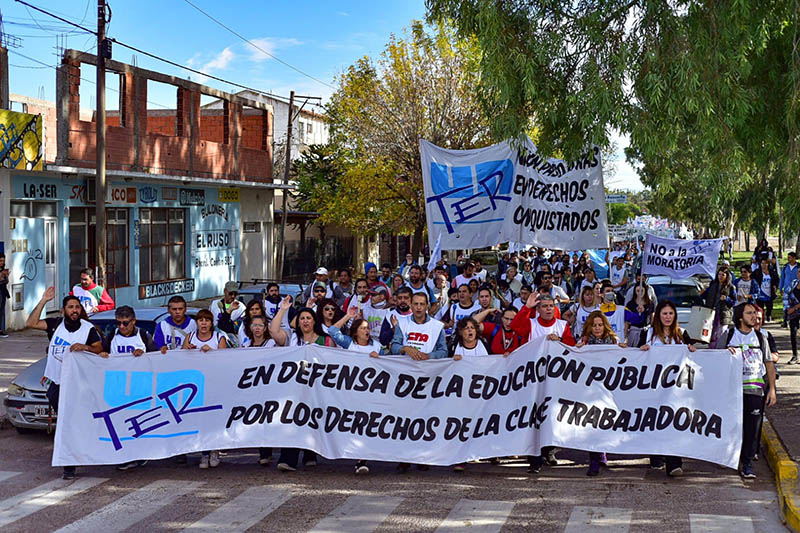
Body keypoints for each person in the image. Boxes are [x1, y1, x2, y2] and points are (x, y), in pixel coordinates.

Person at [27, 287, 103, 479]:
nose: (74, 310)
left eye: (77, 307)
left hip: (80, 385)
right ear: (64, 310)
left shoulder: (88, 329)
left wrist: (85, 347)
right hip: (58, 384)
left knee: (70, 422)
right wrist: (44, 300)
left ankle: (71, 462)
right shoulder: (55, 325)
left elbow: (99, 348)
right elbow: (31, 323)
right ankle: (71, 458)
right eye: (70, 307)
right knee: (66, 422)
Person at [509, 293, 575, 472]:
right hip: (534, 380)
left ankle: (549, 451)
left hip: (556, 379)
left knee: (551, 417)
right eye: (544, 306)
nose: (548, 309)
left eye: (550, 306)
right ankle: (534, 459)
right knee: (534, 418)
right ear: (538, 309)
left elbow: (571, 347)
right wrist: (526, 308)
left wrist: (560, 341)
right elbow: (515, 326)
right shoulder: (532, 324)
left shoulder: (562, 325)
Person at [714, 302, 777, 479]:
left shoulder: (760, 337)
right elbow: (714, 359)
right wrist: (726, 353)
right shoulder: (729, 335)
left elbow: (769, 364)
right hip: (732, 391)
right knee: (730, 425)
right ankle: (727, 455)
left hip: (755, 391)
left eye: (755, 313)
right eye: (750, 313)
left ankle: (747, 463)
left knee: (752, 428)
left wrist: (772, 389)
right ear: (740, 317)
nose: (754, 316)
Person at [270, 298, 333, 472]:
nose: (305, 321)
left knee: (313, 420)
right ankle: (288, 459)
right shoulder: (291, 338)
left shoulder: (325, 340)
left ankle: (310, 453)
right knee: (293, 421)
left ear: (314, 321)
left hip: (318, 389)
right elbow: (274, 331)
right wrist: (283, 310)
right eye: (302, 318)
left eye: (308, 318)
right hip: (294, 389)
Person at [638, 300, 695, 477]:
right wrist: (642, 350)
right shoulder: (648, 334)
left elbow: (692, 359)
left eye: (671, 314)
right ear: (658, 316)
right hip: (653, 387)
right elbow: (636, 357)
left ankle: (674, 463)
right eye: (664, 314)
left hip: (676, 388)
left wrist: (691, 350)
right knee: (655, 421)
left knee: (674, 422)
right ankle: (656, 457)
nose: (668, 317)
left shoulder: (682, 334)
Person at [98, 305, 159, 471]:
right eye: (118, 323)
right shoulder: (112, 336)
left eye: (125, 323)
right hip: (118, 386)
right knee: (120, 422)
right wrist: (102, 355)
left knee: (139, 421)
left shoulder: (144, 335)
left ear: (133, 321)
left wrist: (144, 355)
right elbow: (101, 353)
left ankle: (140, 454)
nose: (121, 327)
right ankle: (124, 455)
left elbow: (157, 359)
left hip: (139, 386)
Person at [575, 310, 625, 476]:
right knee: (592, 422)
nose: (597, 328)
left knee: (605, 420)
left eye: (600, 325)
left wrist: (624, 350)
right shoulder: (584, 343)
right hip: (589, 390)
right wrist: (577, 349)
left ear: (605, 326)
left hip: (609, 388)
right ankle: (594, 460)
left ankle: (602, 452)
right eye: (594, 325)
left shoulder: (614, 341)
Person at [182, 309, 226, 469]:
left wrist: (212, 352)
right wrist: (188, 351)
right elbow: (181, 358)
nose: (204, 323)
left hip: (215, 383)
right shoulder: (190, 337)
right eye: (201, 320)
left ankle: (214, 449)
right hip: (196, 384)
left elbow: (226, 360)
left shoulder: (218, 338)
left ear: (211, 323)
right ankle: (204, 453)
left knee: (213, 418)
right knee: (200, 420)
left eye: (207, 320)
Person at [391, 292, 448, 360]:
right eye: (416, 304)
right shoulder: (401, 323)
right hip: (406, 366)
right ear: (411, 305)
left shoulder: (438, 326)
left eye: (422, 304)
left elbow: (444, 352)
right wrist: (405, 348)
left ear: (427, 306)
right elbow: (394, 347)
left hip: (428, 367)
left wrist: (428, 356)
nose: (418, 307)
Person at [701, 268, 735, 343]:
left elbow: (733, 302)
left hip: (723, 314)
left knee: (721, 333)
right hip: (711, 313)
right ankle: (712, 350)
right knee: (711, 333)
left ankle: (720, 349)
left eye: (723, 275)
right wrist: (701, 293)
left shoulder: (731, 287)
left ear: (727, 276)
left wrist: (726, 299)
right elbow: (705, 296)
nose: (720, 276)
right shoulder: (713, 285)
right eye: (719, 274)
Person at [785, 267, 800, 364]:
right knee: (793, 333)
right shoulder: (793, 283)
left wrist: (795, 307)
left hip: (795, 309)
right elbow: (786, 295)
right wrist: (787, 308)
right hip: (793, 313)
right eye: (799, 272)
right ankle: (795, 355)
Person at [780, 252, 798, 327]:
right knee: (786, 305)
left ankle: (796, 321)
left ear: (794, 258)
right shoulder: (785, 267)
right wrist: (781, 288)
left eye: (790, 257)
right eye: (788, 257)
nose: (788, 259)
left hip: (796, 289)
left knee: (795, 304)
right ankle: (785, 320)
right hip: (787, 289)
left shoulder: (798, 267)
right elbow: (782, 278)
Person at [0, 253, 9, 337]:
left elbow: (6, 282)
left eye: (3, 261)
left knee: (1, 311)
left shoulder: (3, 269)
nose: (2, 262)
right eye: (1, 261)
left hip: (3, 291)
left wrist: (6, 276)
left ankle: (1, 329)